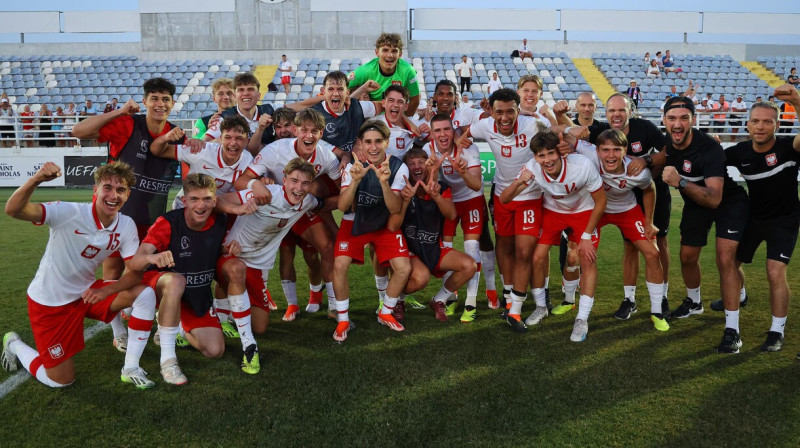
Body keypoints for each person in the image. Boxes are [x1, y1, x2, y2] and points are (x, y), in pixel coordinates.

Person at [1, 162, 158, 389]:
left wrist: (105, 289)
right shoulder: (68, 212)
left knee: (145, 294)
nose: (113, 195)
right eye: (107, 188)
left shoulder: (126, 225)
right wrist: (36, 179)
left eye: (120, 190)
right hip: (50, 302)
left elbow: (134, 274)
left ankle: (131, 367)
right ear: (95, 191)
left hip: (87, 293)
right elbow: (13, 210)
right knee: (61, 381)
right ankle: (14, 344)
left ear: (128, 194)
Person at [131, 173, 259, 384]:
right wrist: (154, 256)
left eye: (207, 199)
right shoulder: (168, 222)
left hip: (195, 292)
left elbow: (206, 248)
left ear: (215, 201)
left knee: (215, 350)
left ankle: (180, 326)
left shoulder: (220, 221)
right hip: (164, 287)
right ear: (184, 201)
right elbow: (136, 261)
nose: (201, 205)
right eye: (194, 199)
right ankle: (168, 360)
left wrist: (226, 249)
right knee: (175, 281)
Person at [655, 96, 749, 353]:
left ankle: (732, 330)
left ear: (693, 120)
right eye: (672, 118)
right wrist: (645, 162)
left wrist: (680, 182)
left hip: (727, 203)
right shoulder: (670, 141)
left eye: (684, 118)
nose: (677, 124)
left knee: (725, 259)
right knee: (687, 256)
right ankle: (695, 302)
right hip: (697, 204)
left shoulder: (709, 148)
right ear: (664, 120)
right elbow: (664, 156)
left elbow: (715, 197)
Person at [456, 88, 553, 333]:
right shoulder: (485, 125)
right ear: (491, 111)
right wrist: (461, 139)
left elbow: (557, 134)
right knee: (504, 246)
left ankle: (516, 309)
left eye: (511, 111)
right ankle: (509, 296)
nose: (505, 117)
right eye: (499, 112)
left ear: (519, 110)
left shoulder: (532, 125)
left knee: (524, 251)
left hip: (530, 196)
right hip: (501, 197)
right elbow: (466, 133)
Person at [72, 77, 185, 281]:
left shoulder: (177, 135)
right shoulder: (128, 124)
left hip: (150, 215)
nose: (160, 104)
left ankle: (130, 310)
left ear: (173, 103)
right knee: (114, 269)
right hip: (116, 211)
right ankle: (114, 312)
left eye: (166, 99)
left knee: (142, 269)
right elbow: (78, 131)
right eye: (154, 98)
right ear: (145, 102)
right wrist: (119, 111)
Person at [234, 109, 341, 321]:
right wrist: (256, 184)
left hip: (302, 208)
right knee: (286, 255)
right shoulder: (275, 150)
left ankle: (333, 304)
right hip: (274, 208)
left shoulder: (326, 156)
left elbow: (343, 192)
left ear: (321, 133)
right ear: (295, 130)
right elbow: (240, 181)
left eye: (314, 131)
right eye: (304, 130)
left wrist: (322, 203)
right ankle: (292, 304)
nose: (309, 136)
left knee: (325, 248)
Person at [500, 130, 607, 341]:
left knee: (587, 258)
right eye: (541, 156)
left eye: (551, 153)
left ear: (560, 153)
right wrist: (519, 182)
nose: (547, 160)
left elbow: (601, 202)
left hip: (583, 211)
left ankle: (582, 318)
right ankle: (541, 307)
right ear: (535, 157)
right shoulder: (532, 168)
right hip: (554, 211)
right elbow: (504, 199)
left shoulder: (582, 165)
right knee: (537, 256)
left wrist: (585, 236)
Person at [721, 88, 800, 352]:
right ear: (748, 124)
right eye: (756, 121)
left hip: (784, 220)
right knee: (730, 262)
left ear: (777, 125)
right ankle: (739, 295)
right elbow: (711, 159)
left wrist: (797, 101)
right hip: (753, 217)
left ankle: (776, 331)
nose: (761, 126)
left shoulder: (789, 147)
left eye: (768, 121)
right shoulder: (739, 151)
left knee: (775, 272)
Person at [574, 130, 668, 331]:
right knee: (585, 255)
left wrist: (648, 221)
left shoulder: (638, 171)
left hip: (627, 210)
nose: (610, 155)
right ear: (597, 150)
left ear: (625, 150)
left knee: (653, 253)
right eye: (605, 150)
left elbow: (649, 188)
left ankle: (657, 311)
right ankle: (582, 317)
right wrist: (561, 122)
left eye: (617, 149)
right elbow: (565, 138)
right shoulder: (588, 153)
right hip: (594, 210)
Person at [223, 158, 332, 332]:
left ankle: (233, 309)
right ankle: (220, 316)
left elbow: (324, 205)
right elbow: (220, 200)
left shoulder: (307, 201)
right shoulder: (268, 194)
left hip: (257, 264)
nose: (298, 188)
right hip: (233, 254)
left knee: (259, 328)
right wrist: (238, 209)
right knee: (231, 275)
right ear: (285, 179)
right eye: (294, 181)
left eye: (305, 183)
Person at [588, 93, 672, 318]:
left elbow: (669, 150)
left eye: (621, 110)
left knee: (658, 242)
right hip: (619, 197)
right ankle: (630, 299)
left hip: (650, 189)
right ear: (605, 114)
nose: (616, 114)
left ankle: (662, 296)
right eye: (611, 110)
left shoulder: (645, 127)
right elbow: (575, 137)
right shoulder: (602, 134)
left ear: (630, 112)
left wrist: (647, 160)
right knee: (630, 246)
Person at [332, 121, 410, 341]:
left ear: (386, 142)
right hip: (355, 220)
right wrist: (355, 181)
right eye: (368, 142)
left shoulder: (397, 166)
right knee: (339, 265)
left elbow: (394, 208)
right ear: (361, 144)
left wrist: (384, 183)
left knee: (403, 268)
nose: (373, 147)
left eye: (378, 141)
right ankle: (343, 320)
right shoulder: (353, 167)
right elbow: (341, 206)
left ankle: (385, 312)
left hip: (383, 222)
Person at [389, 148, 477, 323]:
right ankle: (398, 301)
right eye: (411, 164)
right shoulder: (401, 188)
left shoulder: (440, 187)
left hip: (431, 246)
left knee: (469, 265)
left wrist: (435, 195)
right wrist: (406, 200)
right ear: (406, 168)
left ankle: (438, 300)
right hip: (409, 248)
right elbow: (393, 225)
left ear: (427, 165)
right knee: (421, 278)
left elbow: (451, 214)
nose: (416, 167)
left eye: (420, 162)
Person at [423, 115, 484, 321]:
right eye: (438, 131)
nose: (443, 134)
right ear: (432, 134)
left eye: (446, 130)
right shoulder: (427, 151)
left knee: (471, 249)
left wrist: (463, 171)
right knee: (446, 249)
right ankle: (449, 298)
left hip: (471, 199)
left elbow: (476, 185)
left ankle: (471, 303)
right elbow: (429, 189)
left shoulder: (468, 148)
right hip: (448, 201)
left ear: (453, 130)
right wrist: (432, 170)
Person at [347, 33, 420, 115]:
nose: (390, 55)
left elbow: (415, 99)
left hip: (395, 117)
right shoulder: (366, 70)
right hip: (372, 117)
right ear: (377, 52)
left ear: (400, 54)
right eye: (385, 50)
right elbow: (342, 84)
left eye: (394, 51)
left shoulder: (408, 71)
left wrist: (404, 121)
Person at [373, 85, 422, 159]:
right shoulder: (374, 124)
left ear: (406, 106)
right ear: (383, 103)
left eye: (400, 102)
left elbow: (432, 135)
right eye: (391, 100)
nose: (395, 105)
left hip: (404, 168)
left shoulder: (413, 123)